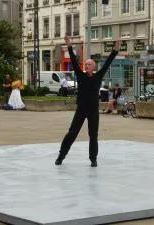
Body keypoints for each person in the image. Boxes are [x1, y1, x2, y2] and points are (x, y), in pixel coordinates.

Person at [55, 36, 121, 167]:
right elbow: (74, 61)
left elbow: (107, 63)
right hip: (81, 109)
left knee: (93, 135)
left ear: (94, 66)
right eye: (85, 64)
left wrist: (115, 50)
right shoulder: (81, 76)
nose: (86, 66)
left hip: (93, 110)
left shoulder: (98, 76)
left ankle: (93, 159)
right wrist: (69, 46)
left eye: (89, 64)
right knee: (72, 133)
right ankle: (61, 155)